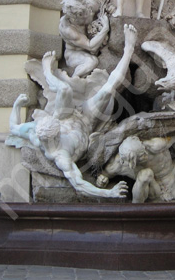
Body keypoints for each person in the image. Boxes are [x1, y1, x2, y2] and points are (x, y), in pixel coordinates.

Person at [8, 24, 139, 199]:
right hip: (88, 123)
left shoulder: (35, 130)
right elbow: (79, 184)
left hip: (69, 115)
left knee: (64, 90)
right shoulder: (60, 156)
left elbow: (14, 127)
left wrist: (17, 105)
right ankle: (129, 49)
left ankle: (47, 71)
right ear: (53, 136)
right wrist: (109, 193)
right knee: (108, 90)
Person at [96, 135, 175, 203]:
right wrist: (101, 180)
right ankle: (135, 213)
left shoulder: (156, 145)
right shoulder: (121, 163)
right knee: (145, 174)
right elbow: (104, 174)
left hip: (174, 180)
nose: (144, 158)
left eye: (143, 156)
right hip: (153, 190)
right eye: (139, 160)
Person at [58, 0, 109, 78]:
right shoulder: (68, 30)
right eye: (83, 15)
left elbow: (101, 6)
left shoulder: (87, 6)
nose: (88, 14)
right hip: (74, 54)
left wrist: (109, 9)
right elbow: (90, 46)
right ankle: (74, 81)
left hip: (91, 49)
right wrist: (105, 28)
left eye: (87, 11)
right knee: (91, 62)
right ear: (75, 18)